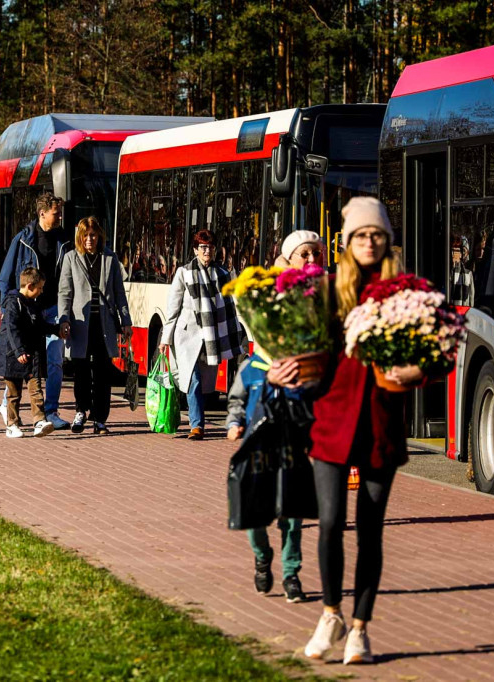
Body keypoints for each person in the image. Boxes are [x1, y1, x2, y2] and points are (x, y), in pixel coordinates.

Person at [302, 197, 414, 665]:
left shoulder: (406, 293)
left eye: (377, 234)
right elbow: (303, 352)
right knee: (330, 524)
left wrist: (419, 372)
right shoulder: (328, 290)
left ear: (387, 239)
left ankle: (361, 629)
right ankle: (331, 614)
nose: (369, 241)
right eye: (360, 235)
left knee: (371, 529)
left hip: (380, 425)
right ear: (346, 242)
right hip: (331, 423)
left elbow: (435, 350)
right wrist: (289, 369)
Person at [225, 351, 308, 604]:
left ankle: (291, 575)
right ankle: (262, 558)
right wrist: (233, 423)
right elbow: (236, 400)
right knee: (254, 517)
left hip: (289, 451)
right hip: (257, 453)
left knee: (291, 517)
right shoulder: (252, 366)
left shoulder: (299, 367)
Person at [159, 229, 246, 440]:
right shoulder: (184, 273)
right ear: (196, 250)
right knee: (193, 378)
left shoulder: (223, 274)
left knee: (207, 385)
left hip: (211, 337)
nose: (207, 251)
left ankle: (198, 421)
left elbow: (229, 310)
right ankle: (196, 426)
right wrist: (165, 339)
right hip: (187, 337)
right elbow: (173, 309)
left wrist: (235, 337)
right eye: (203, 247)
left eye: (210, 247)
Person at [0, 192, 71, 429]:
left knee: (55, 360)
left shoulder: (65, 240)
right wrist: (10, 307)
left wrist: (66, 313)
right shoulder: (22, 240)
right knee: (23, 362)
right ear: (42, 213)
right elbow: (6, 277)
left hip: (54, 307)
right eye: (55, 213)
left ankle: (50, 411)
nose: (59, 216)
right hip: (28, 309)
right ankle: (7, 405)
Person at [57, 216, 132, 435]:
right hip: (80, 323)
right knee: (80, 369)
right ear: (79, 237)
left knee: (102, 372)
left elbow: (119, 293)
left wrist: (126, 321)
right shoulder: (71, 258)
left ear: (99, 236)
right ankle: (81, 410)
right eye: (85, 235)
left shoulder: (110, 258)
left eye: (93, 235)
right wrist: (64, 319)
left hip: (104, 323)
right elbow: (65, 292)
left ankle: (100, 419)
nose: (89, 239)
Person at [0, 267, 65, 439]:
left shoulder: (34, 304)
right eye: (40, 288)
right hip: (13, 356)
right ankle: (12, 424)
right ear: (30, 285)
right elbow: (11, 329)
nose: (41, 292)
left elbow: (40, 325)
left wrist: (56, 330)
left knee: (36, 389)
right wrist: (18, 350)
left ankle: (39, 421)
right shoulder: (13, 303)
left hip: (32, 355)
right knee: (13, 393)